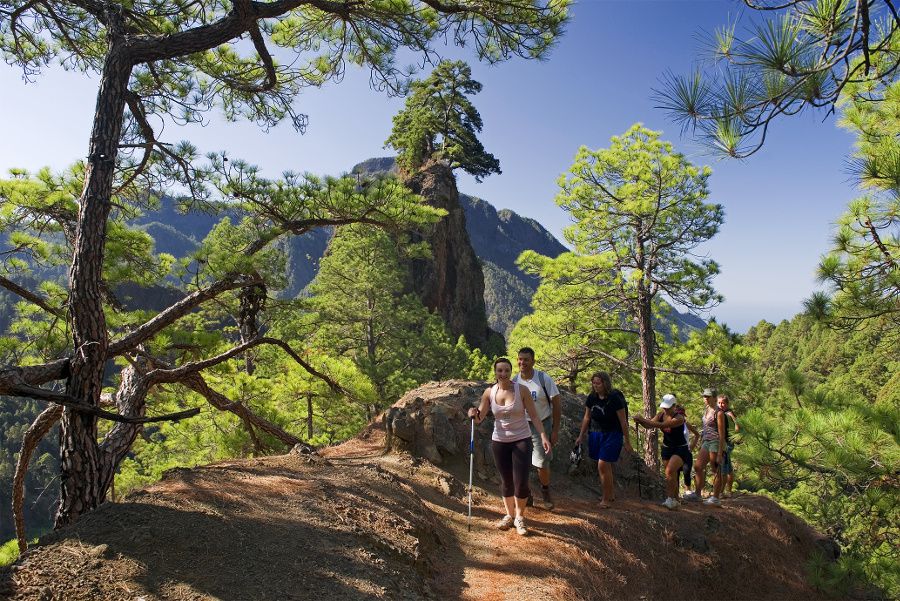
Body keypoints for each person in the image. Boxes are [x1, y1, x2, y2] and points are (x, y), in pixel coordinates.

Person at [468, 357, 552, 536]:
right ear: (495, 372)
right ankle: (509, 515)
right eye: (500, 370)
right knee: (506, 480)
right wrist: (472, 413)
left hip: (522, 439)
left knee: (521, 482)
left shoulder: (521, 390)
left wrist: (543, 436)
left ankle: (520, 517)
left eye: (506, 370)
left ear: (510, 371)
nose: (503, 374)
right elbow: (479, 417)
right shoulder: (489, 392)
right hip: (499, 441)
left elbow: (534, 416)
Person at [574, 371, 633, 508]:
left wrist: (627, 441)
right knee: (605, 466)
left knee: (602, 464)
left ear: (605, 383)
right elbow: (587, 417)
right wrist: (581, 435)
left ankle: (605, 500)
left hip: (613, 434)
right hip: (596, 434)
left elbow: (623, 421)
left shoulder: (614, 399)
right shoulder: (591, 397)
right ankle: (610, 494)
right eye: (593, 383)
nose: (595, 386)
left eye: (598, 383)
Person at [512, 347, 561, 510]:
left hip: (542, 423)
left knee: (542, 462)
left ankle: (545, 491)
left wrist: (554, 430)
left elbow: (556, 403)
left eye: (526, 359)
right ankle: (526, 494)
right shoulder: (515, 380)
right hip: (521, 424)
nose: (522, 362)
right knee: (520, 461)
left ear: (533, 361)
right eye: (520, 359)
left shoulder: (543, 378)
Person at [633, 393, 690, 510]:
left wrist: (643, 419)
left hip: (680, 448)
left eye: (668, 407)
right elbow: (649, 425)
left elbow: (662, 425)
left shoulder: (679, 418)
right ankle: (675, 499)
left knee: (670, 470)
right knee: (671, 474)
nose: (665, 409)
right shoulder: (660, 415)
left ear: (674, 406)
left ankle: (669, 499)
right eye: (664, 407)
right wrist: (640, 421)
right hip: (667, 448)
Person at [684, 387, 727, 506]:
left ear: (714, 398)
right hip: (706, 441)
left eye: (707, 397)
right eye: (704, 396)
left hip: (716, 442)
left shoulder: (719, 413)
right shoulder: (707, 409)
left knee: (715, 469)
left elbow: (722, 433)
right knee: (698, 467)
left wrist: (719, 453)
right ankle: (698, 494)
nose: (705, 398)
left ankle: (715, 498)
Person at [717, 394, 740, 497]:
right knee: (728, 468)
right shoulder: (719, 413)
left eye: (723, 403)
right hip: (723, 442)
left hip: (727, 443)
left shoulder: (729, 413)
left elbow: (737, 427)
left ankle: (722, 492)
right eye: (719, 403)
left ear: (727, 403)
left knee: (724, 468)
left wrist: (734, 437)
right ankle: (729, 491)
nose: (721, 405)